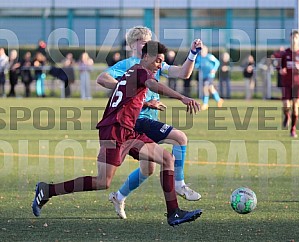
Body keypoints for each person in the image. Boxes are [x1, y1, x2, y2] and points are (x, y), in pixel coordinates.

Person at [32, 41, 202, 226]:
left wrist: (145, 104)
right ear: (146, 57)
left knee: (167, 159)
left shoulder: (133, 72)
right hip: (114, 130)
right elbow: (153, 85)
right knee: (102, 181)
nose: (159, 66)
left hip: (128, 131)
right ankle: (47, 190)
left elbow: (127, 97)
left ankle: (174, 213)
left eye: (162, 62)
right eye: (158, 61)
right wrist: (182, 97)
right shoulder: (141, 72)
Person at [96, 26, 202, 219]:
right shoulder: (128, 64)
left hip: (146, 120)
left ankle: (118, 197)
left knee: (148, 169)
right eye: (142, 41)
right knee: (179, 137)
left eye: (148, 40)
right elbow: (102, 78)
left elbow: (183, 73)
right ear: (132, 45)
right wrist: (124, 86)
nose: (146, 43)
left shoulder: (156, 63)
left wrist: (193, 54)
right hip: (137, 119)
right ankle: (179, 184)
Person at [280, 30, 299, 138]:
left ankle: (293, 129)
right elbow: (281, 66)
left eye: (296, 37)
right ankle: (286, 116)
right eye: (292, 37)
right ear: (290, 38)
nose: (294, 39)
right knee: (285, 104)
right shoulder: (285, 53)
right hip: (287, 82)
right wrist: (281, 70)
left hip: (298, 83)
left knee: (295, 105)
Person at [195, 45, 223, 110]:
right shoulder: (199, 58)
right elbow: (197, 64)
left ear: (206, 51)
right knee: (211, 88)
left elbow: (217, 62)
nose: (202, 52)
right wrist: (196, 66)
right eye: (201, 51)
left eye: (203, 51)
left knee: (205, 88)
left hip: (210, 75)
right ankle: (218, 100)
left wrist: (214, 69)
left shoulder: (209, 57)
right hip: (204, 75)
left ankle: (205, 103)